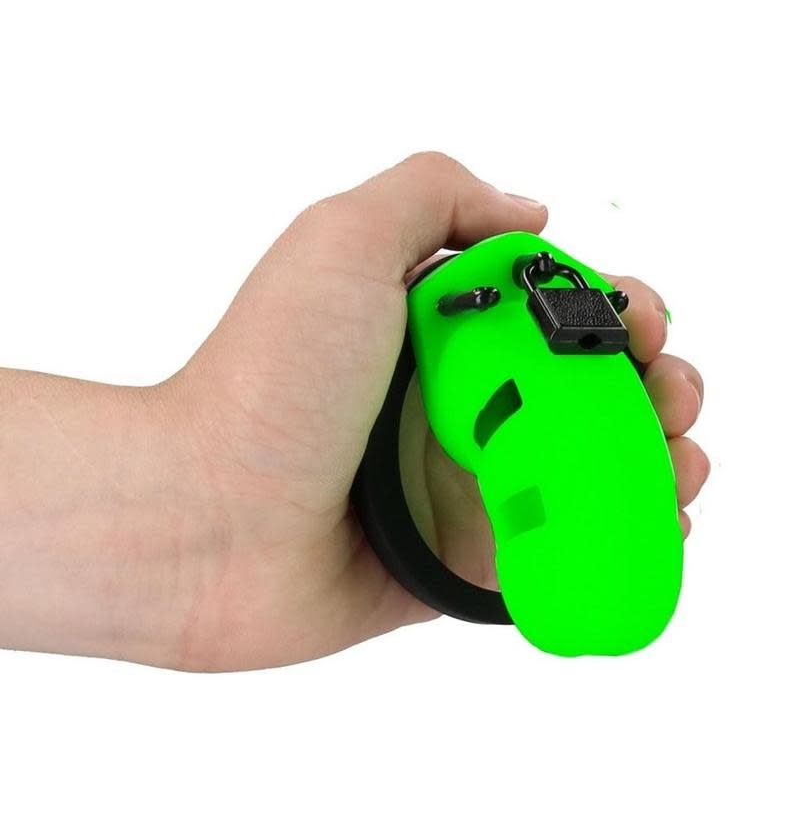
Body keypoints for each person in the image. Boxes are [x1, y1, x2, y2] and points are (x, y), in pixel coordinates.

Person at [0, 152, 709, 671]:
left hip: (472, 342)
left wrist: (213, 497)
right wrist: (212, 490)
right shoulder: (485, 317)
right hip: (469, 335)